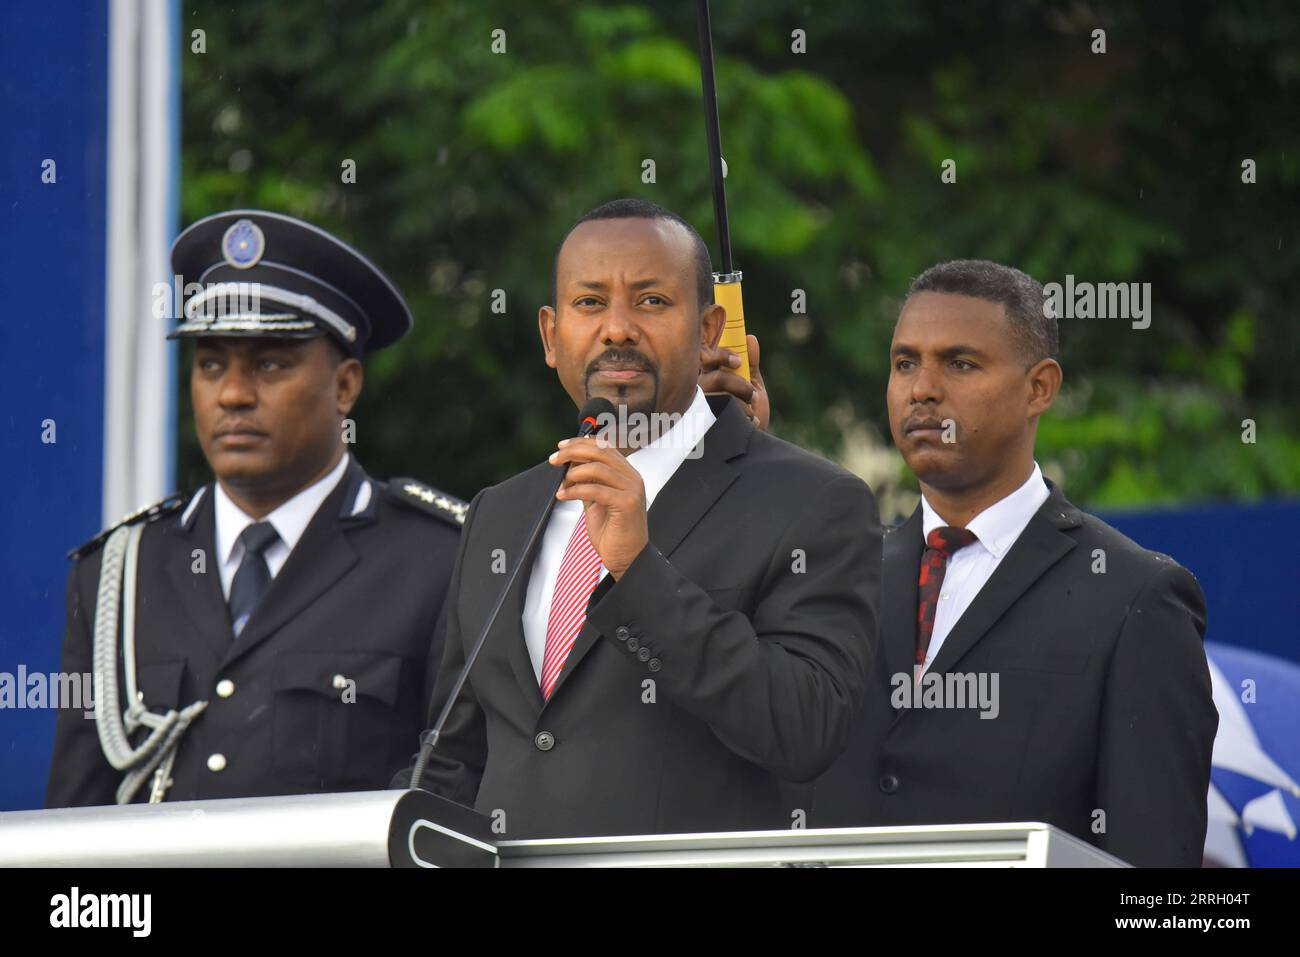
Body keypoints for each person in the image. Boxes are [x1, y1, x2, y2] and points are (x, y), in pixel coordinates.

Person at [399, 198, 881, 838]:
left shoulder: (814, 502)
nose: (618, 328)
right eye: (590, 303)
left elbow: (806, 729)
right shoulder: (500, 512)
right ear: (551, 335)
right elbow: (454, 760)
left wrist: (638, 572)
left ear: (709, 330)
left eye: (652, 301)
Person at [46, 210, 466, 806]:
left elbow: (451, 809)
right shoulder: (118, 574)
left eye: (270, 364)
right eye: (211, 364)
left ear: (345, 386)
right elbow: (75, 826)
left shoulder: (436, 562)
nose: (234, 394)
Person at [808, 259, 1217, 867]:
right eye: (905, 363)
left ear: (1040, 388)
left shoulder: (1137, 598)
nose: (922, 389)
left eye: (960, 362)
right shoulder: (836, 578)